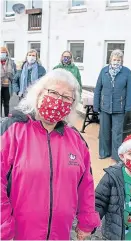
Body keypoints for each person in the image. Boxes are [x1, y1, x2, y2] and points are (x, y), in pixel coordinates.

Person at [1, 69, 100, 240]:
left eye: (66, 97)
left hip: (60, 234)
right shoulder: (12, 130)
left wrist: (86, 221)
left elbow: (86, 185)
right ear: (38, 93)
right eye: (53, 92)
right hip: (18, 235)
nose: (58, 101)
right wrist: (3, 227)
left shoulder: (76, 140)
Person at [93, 49, 131, 162]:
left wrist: (128, 107)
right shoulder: (104, 71)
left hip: (119, 107)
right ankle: (104, 152)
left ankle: (116, 156)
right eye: (114, 59)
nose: (116, 61)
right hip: (105, 106)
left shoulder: (126, 72)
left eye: (119, 60)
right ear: (110, 59)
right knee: (104, 131)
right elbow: (98, 89)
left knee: (117, 133)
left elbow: (130, 91)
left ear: (122, 61)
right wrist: (95, 105)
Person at [0, 46, 16, 117]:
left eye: (4, 52)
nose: (2, 54)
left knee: (6, 103)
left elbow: (15, 74)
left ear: (7, 53)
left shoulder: (11, 62)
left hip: (7, 86)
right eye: (1, 52)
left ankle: (6, 117)